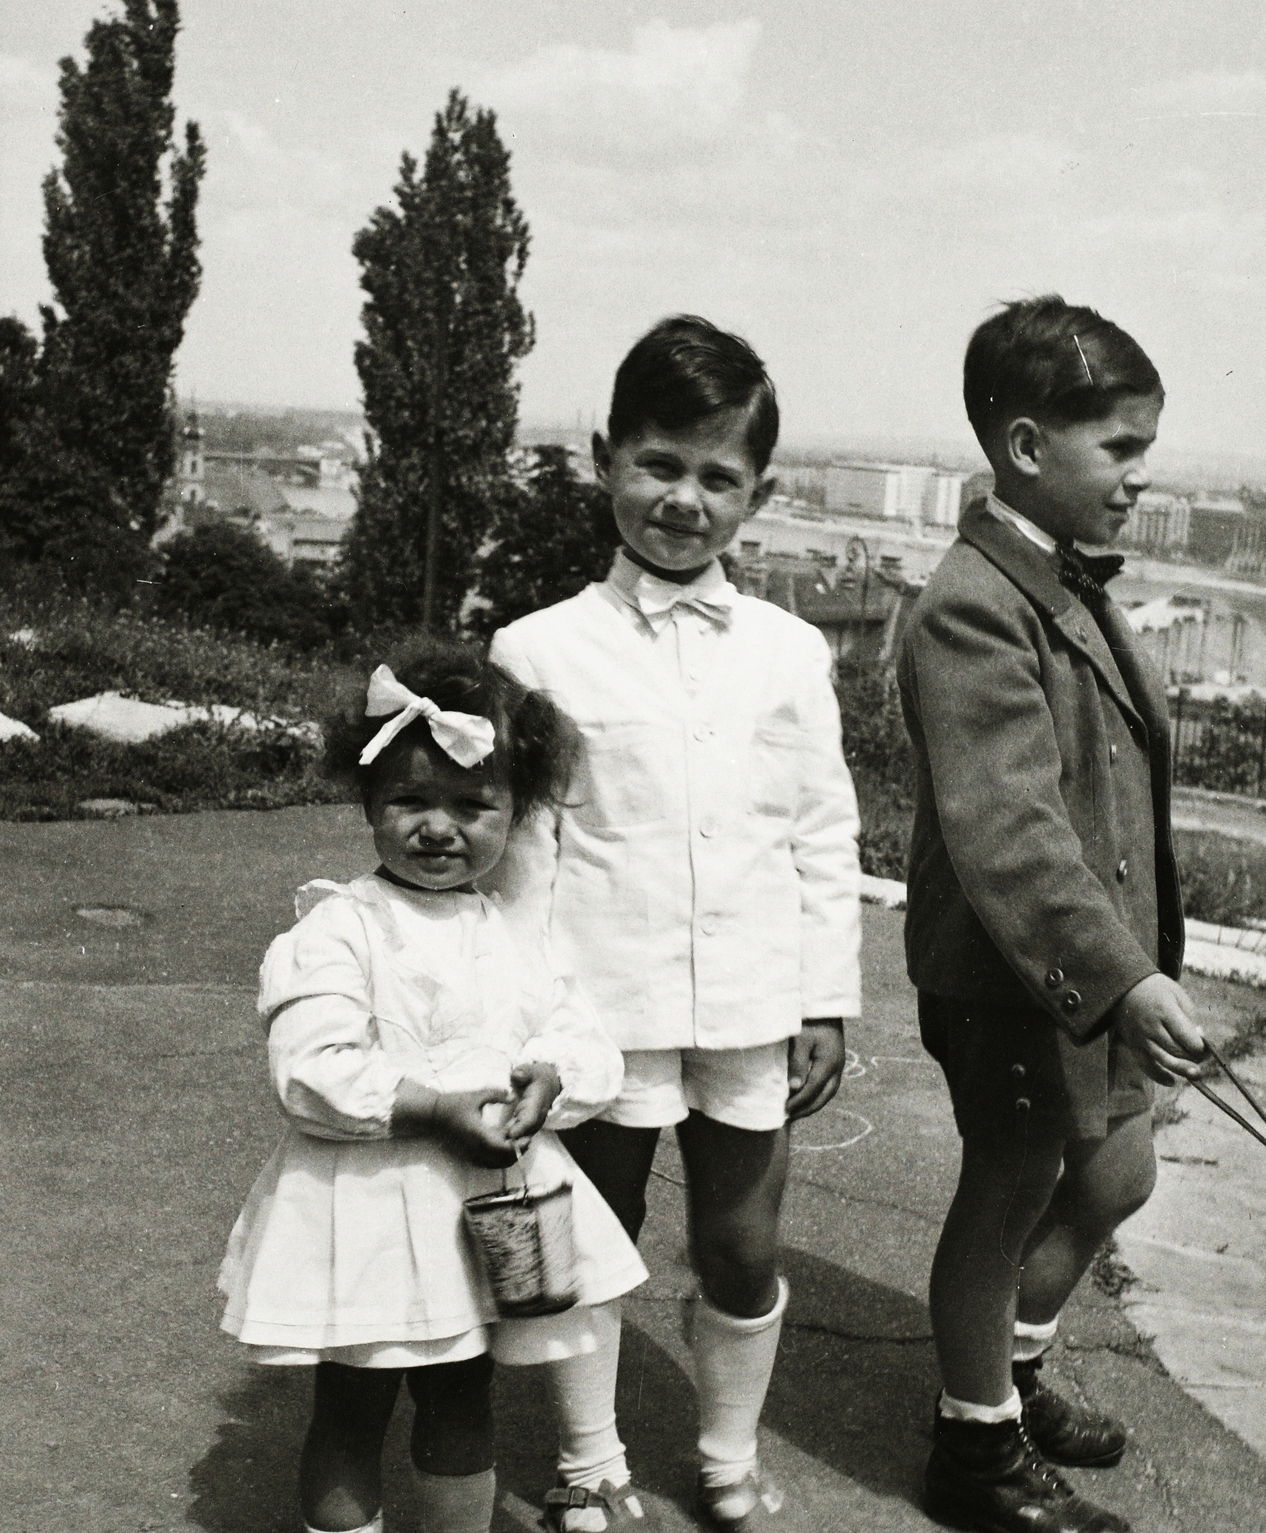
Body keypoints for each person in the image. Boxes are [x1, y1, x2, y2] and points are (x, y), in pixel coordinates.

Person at [488, 314, 861, 1530]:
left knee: (743, 1247)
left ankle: (724, 1453)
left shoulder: (790, 652)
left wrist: (822, 998)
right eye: (658, 464)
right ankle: (590, 1461)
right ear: (605, 457)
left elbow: (819, 832)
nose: (683, 500)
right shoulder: (538, 649)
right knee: (590, 1234)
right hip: (602, 1007)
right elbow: (528, 853)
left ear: (758, 492)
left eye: (717, 477)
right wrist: (530, 1019)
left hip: (752, 1003)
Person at [218, 639, 649, 1533]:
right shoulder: (340, 926)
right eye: (410, 800)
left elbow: (583, 1039)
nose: (439, 827)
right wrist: (425, 1104)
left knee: (463, 1399)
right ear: (370, 803)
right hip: (373, 1205)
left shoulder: (513, 931)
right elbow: (312, 1067)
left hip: (485, 1212)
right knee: (352, 1407)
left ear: (514, 813)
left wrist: (548, 1082)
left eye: (472, 806)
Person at [897, 297, 1209, 1533]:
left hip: (1086, 968)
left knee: (1119, 1164)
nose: (1142, 476)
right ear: (1026, 448)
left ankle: (1011, 1375)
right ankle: (972, 1451)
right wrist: (1122, 982)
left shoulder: (1059, 580)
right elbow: (1010, 832)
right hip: (1010, 972)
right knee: (1012, 1182)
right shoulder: (972, 603)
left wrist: (1132, 967)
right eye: (1119, 449)